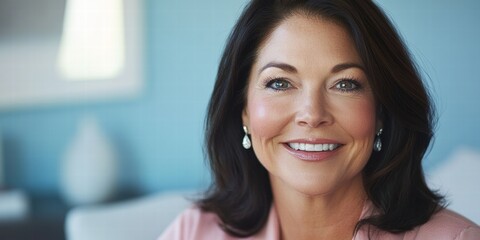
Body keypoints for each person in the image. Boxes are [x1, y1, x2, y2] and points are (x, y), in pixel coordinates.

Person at [159, 0, 480, 239]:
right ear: (243, 109)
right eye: (280, 83)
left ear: (381, 110)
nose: (312, 114)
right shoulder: (194, 231)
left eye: (345, 84)